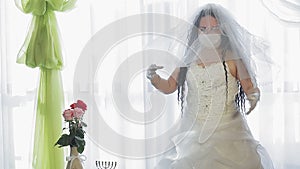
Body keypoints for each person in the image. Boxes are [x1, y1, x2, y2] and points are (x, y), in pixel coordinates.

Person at [146, 3, 274, 169]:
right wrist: (154, 78)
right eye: (203, 29)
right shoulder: (188, 60)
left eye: (214, 28)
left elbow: (249, 86)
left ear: (223, 30)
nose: (209, 33)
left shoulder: (232, 58)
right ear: (196, 31)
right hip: (192, 131)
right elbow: (170, 86)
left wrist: (253, 96)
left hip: (229, 131)